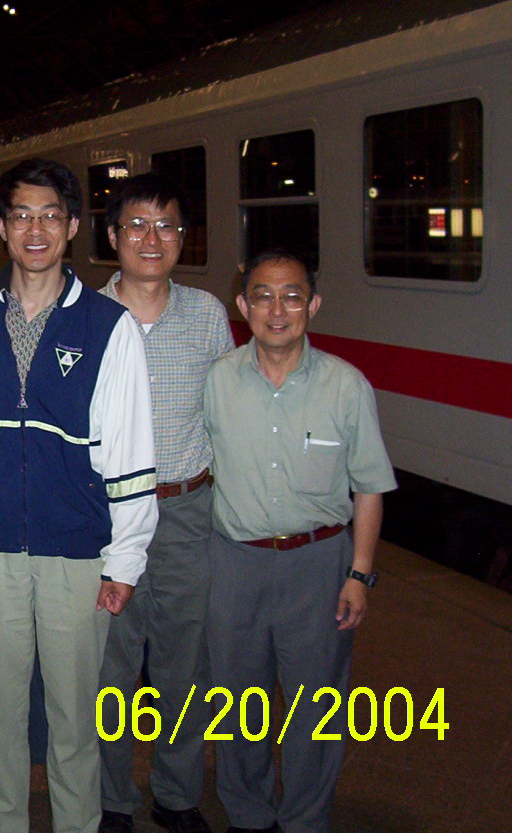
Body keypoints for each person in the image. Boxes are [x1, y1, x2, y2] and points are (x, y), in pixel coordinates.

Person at [0, 158, 158, 833]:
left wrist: (125, 560)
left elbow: (130, 453)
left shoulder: (108, 324)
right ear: (1, 227)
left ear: (71, 228)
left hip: (76, 554)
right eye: (21, 216)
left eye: (50, 216)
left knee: (74, 720)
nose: (35, 230)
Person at [204, 248, 396, 833]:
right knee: (238, 704)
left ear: (312, 305)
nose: (277, 310)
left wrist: (359, 575)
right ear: (243, 306)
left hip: (319, 563)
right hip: (236, 563)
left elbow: (369, 487)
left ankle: (306, 819)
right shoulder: (217, 380)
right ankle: (248, 814)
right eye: (263, 296)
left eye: (292, 296)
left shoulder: (346, 385)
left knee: (317, 708)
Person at [97, 174, 233, 833]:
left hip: (186, 511)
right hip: (108, 518)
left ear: (183, 237)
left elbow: (227, 416)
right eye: (137, 225)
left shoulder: (207, 314)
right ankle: (110, 799)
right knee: (110, 667)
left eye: (167, 226)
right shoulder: (85, 316)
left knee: (186, 665)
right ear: (112, 236)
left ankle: (177, 797)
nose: (152, 239)